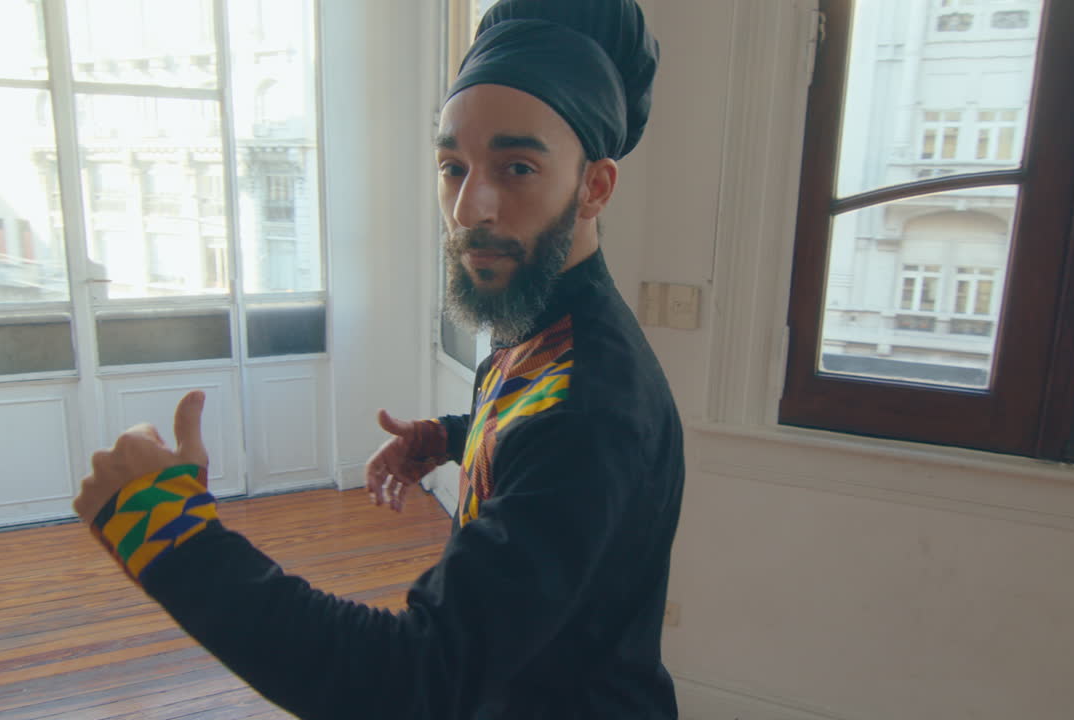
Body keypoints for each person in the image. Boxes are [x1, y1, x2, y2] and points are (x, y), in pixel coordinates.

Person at [73, 0, 684, 717]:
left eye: (517, 167)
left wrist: (164, 530)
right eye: (453, 167)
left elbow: (410, 683)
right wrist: (451, 438)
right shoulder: (544, 324)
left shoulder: (593, 408)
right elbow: (530, 429)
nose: (469, 208)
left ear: (594, 187)